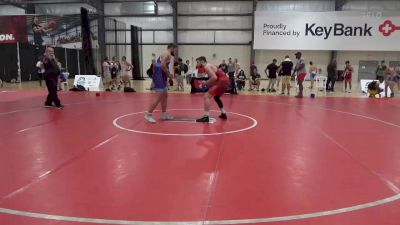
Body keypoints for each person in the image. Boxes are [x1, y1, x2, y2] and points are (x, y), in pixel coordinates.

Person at [145, 43, 177, 123]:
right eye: (175, 49)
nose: (175, 51)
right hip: (160, 75)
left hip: (161, 75)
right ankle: (148, 114)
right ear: (172, 48)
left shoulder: (165, 54)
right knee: (158, 96)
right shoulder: (167, 54)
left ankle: (164, 114)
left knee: (165, 95)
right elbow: (162, 65)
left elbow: (156, 65)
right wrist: (169, 74)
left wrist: (165, 76)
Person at [195, 56, 229, 123]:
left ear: (202, 61)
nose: (197, 64)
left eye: (197, 62)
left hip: (222, 81)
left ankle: (206, 117)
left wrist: (205, 83)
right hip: (225, 81)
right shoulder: (210, 65)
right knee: (216, 97)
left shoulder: (207, 67)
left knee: (206, 96)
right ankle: (223, 113)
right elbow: (216, 78)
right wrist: (207, 84)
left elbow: (214, 77)